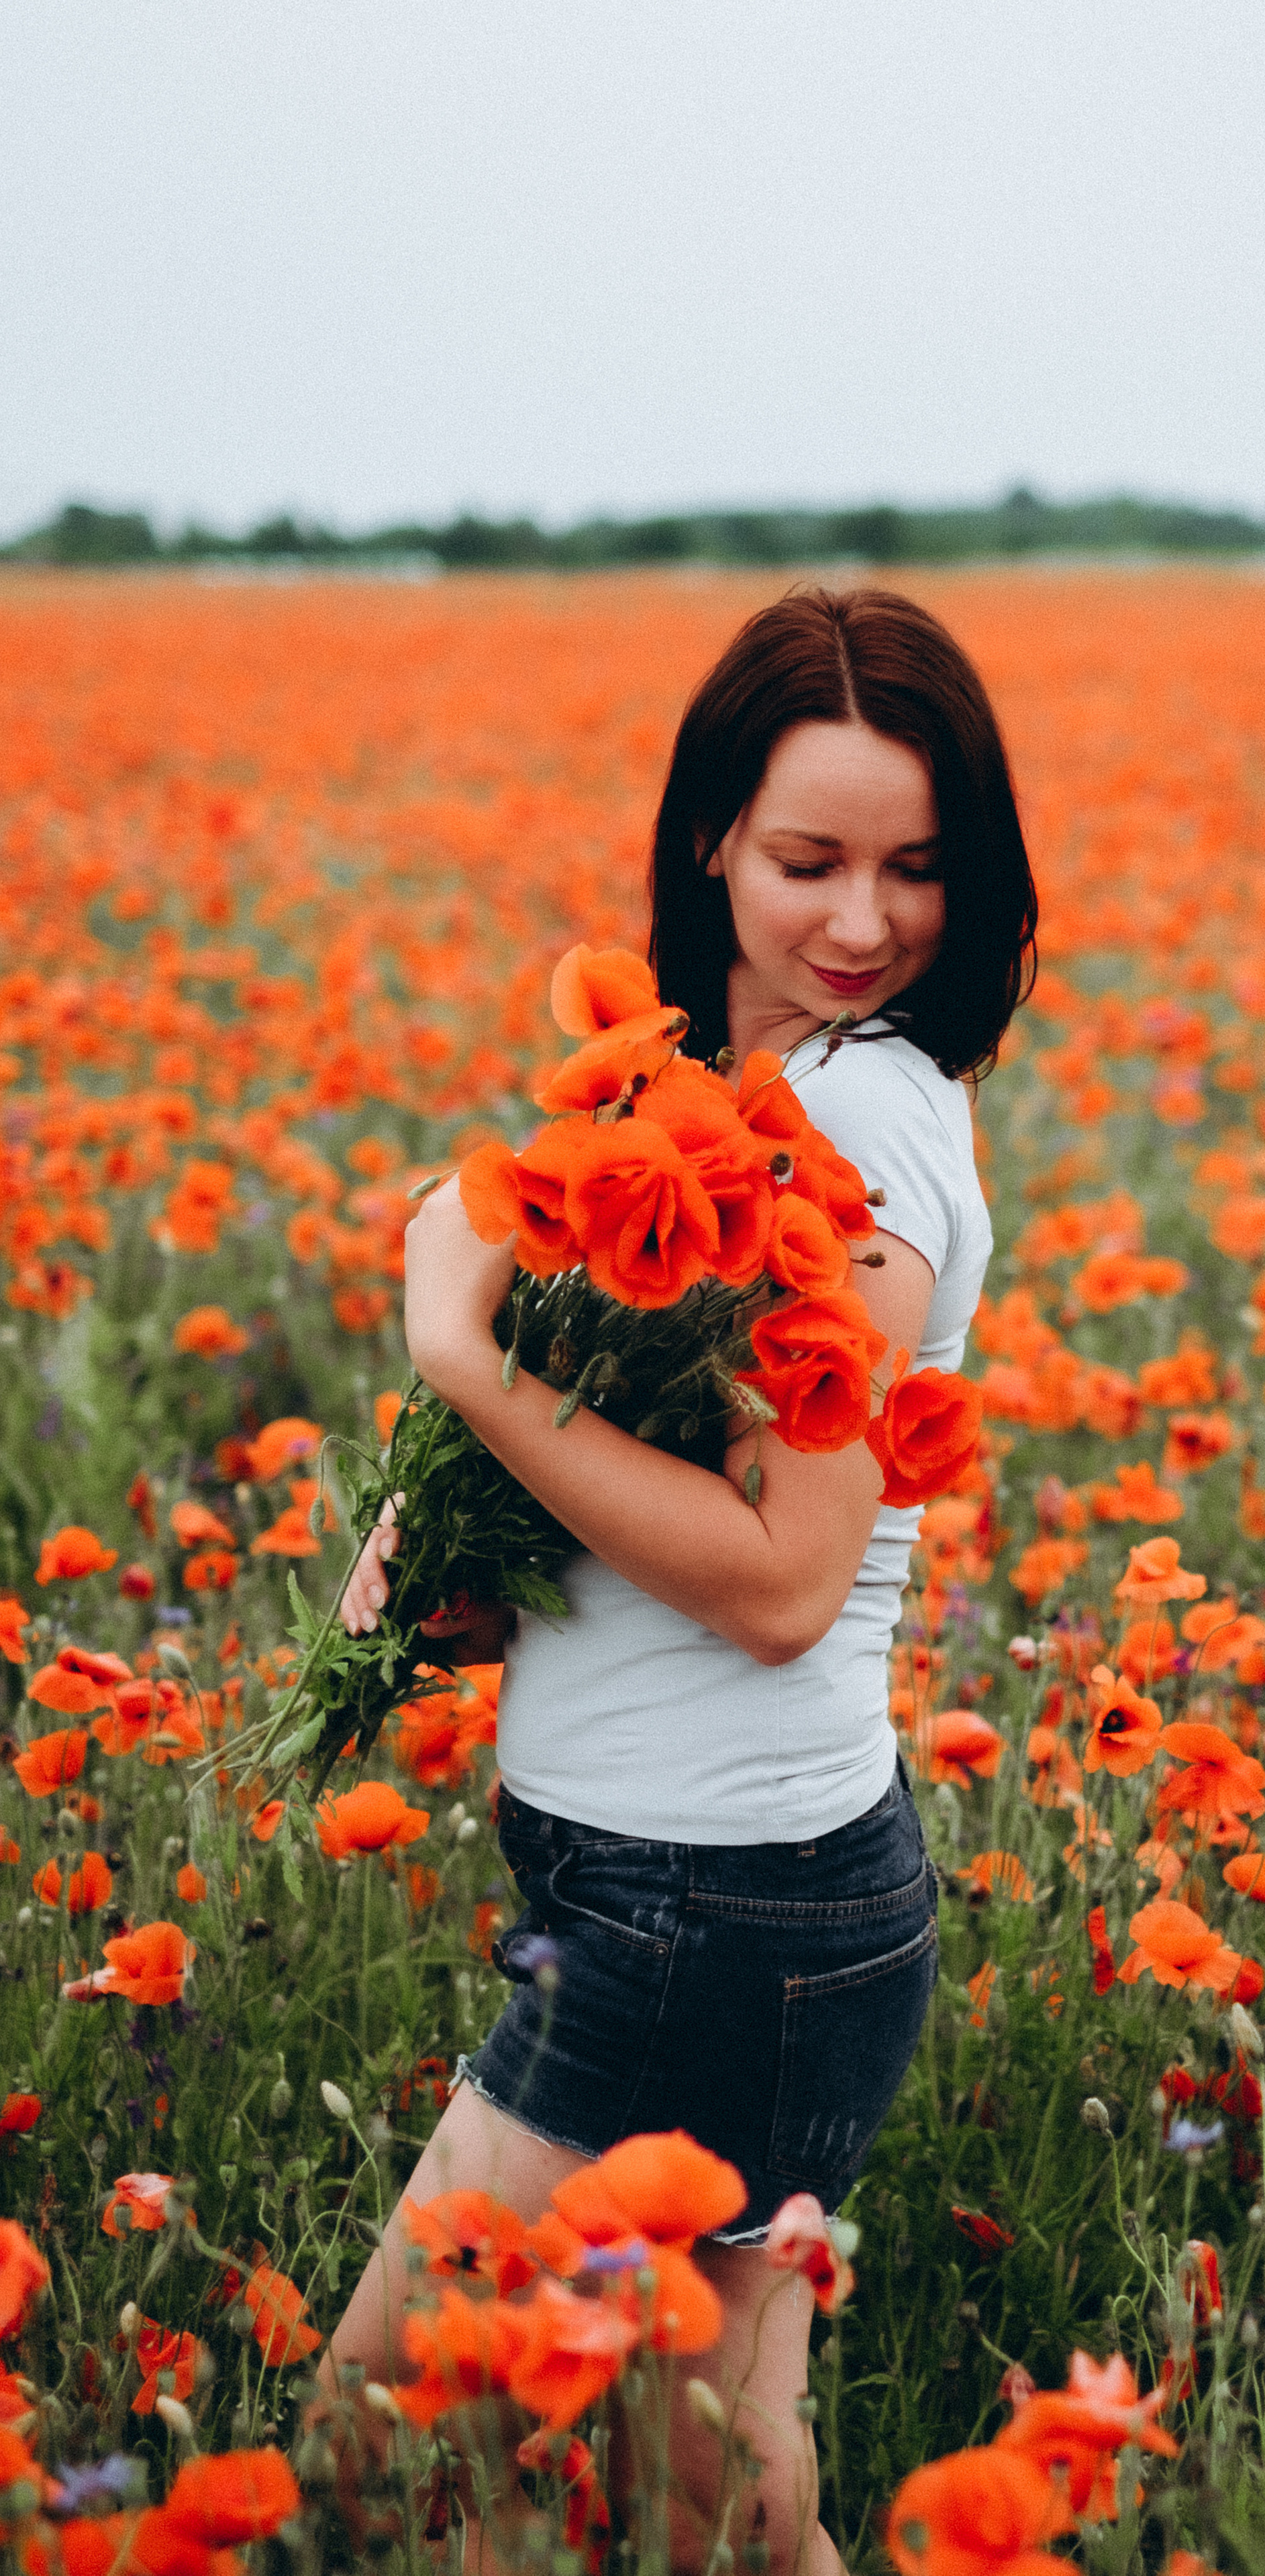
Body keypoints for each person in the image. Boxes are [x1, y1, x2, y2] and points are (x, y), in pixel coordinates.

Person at [319, 586, 1038, 2571]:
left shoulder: (867, 1120)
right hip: (695, 1890)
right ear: (709, 832)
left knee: (394, 2455)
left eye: (914, 870)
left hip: (714, 1918)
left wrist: (462, 1359)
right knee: (708, 2497)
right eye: (811, 860)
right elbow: (659, 1477)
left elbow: (790, 1575)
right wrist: (461, 1554)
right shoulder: (713, 1086)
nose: (863, 923)